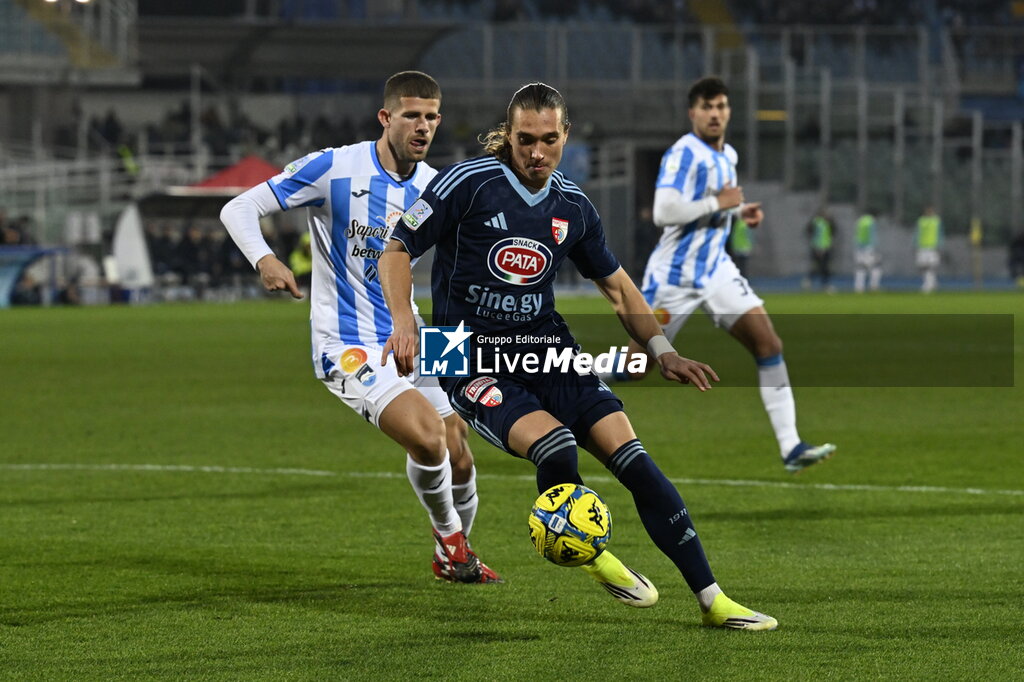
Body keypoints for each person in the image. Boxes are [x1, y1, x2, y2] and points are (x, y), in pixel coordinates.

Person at [380, 82, 777, 630]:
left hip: (545, 346)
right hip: (462, 351)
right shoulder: (467, 185)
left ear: (566, 135)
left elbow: (616, 286)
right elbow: (398, 247)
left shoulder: (573, 206)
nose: (536, 153)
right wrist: (404, 320)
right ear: (510, 135)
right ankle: (594, 556)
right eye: (525, 140)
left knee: (635, 460)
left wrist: (662, 350)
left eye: (548, 140)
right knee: (556, 445)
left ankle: (713, 599)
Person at [220, 71, 500, 584]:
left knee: (460, 453)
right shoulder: (335, 166)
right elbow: (239, 206)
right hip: (346, 341)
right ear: (385, 116)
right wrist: (264, 259)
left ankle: (455, 553)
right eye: (412, 115)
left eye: (432, 117)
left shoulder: (432, 187)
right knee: (428, 435)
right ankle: (452, 544)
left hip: (413, 327)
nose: (423, 126)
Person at [601, 77, 835, 473]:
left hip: (716, 272)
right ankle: (564, 369)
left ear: (729, 111)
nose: (715, 114)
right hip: (675, 278)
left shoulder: (728, 155)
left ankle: (791, 446)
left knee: (767, 342)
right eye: (707, 107)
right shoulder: (683, 154)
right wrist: (719, 201)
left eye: (721, 106)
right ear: (693, 113)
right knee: (635, 368)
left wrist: (739, 212)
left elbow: (712, 207)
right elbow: (664, 211)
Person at [807, 206, 836, 292]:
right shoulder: (817, 222)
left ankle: (824, 284)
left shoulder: (828, 223)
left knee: (825, 267)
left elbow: (832, 232)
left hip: (826, 247)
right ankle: (810, 281)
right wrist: (817, 248)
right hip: (818, 247)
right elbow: (812, 234)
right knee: (818, 266)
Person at [853, 209, 882, 293]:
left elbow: (856, 234)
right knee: (876, 266)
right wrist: (874, 246)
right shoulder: (871, 222)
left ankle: (859, 287)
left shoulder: (860, 221)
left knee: (860, 267)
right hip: (868, 247)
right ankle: (874, 286)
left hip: (858, 247)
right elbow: (872, 236)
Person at [916, 205, 943, 294]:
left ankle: (927, 285)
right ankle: (933, 283)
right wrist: (916, 244)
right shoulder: (921, 221)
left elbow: (940, 233)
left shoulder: (936, 221)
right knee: (923, 267)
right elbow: (917, 233)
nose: (929, 212)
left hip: (933, 247)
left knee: (930, 267)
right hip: (922, 246)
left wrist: (940, 245)